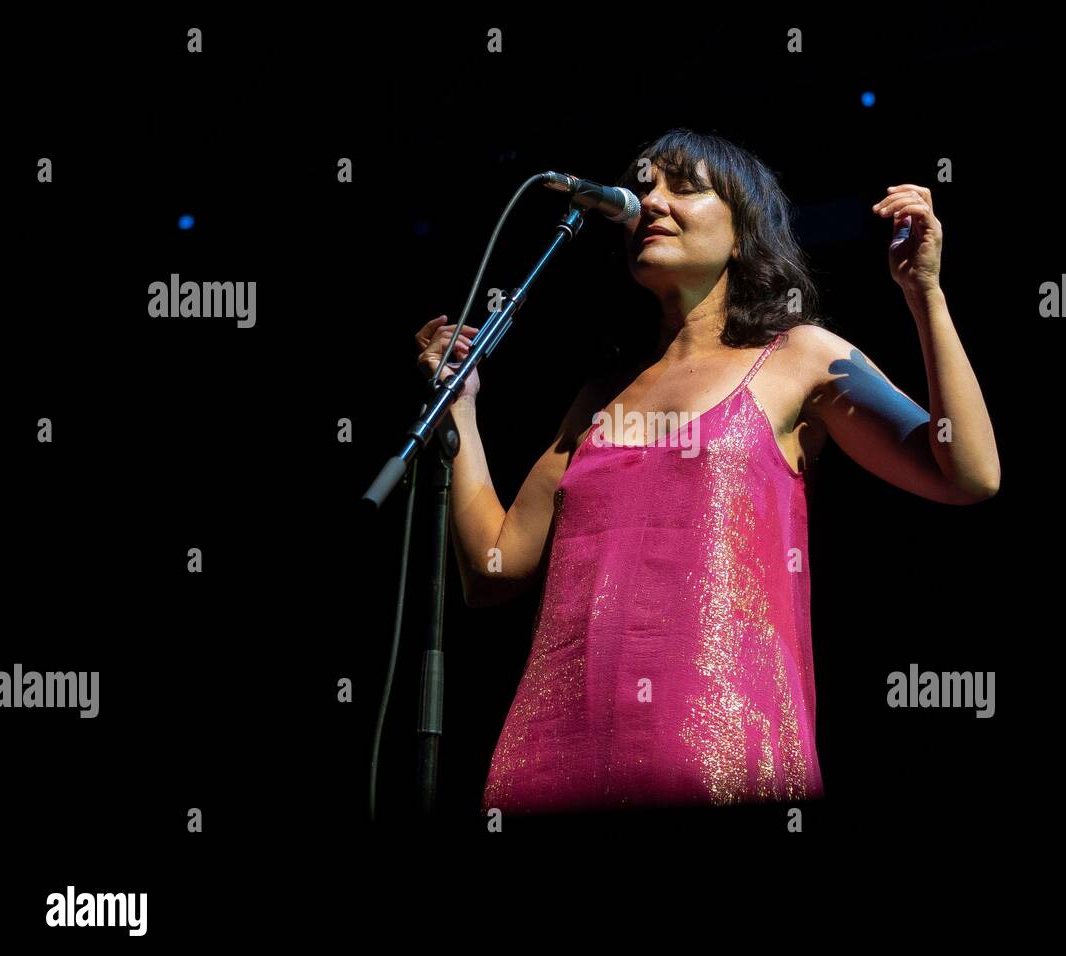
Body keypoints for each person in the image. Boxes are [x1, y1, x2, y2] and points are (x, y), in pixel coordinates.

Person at [414, 128, 1000, 817]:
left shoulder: (800, 357)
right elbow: (493, 569)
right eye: (642, 188)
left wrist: (923, 293)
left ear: (744, 231)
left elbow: (966, 473)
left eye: (683, 187)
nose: (650, 202)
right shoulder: (601, 398)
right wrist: (461, 411)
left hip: (717, 752)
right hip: (550, 757)